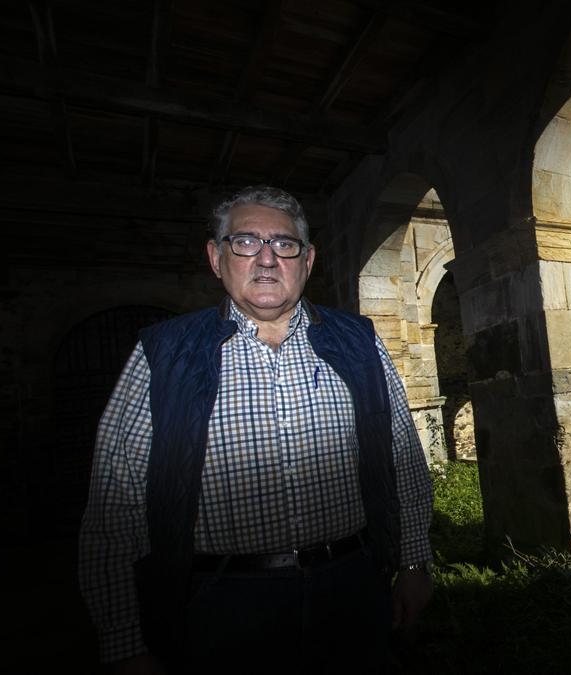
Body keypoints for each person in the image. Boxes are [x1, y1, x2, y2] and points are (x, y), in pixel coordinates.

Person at [78, 185, 433, 674]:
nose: (266, 259)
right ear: (215, 257)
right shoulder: (164, 354)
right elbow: (114, 507)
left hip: (351, 587)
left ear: (307, 261)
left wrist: (414, 564)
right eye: (245, 242)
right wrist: (123, 641)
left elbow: (405, 462)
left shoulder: (359, 342)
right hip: (220, 605)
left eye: (284, 245)